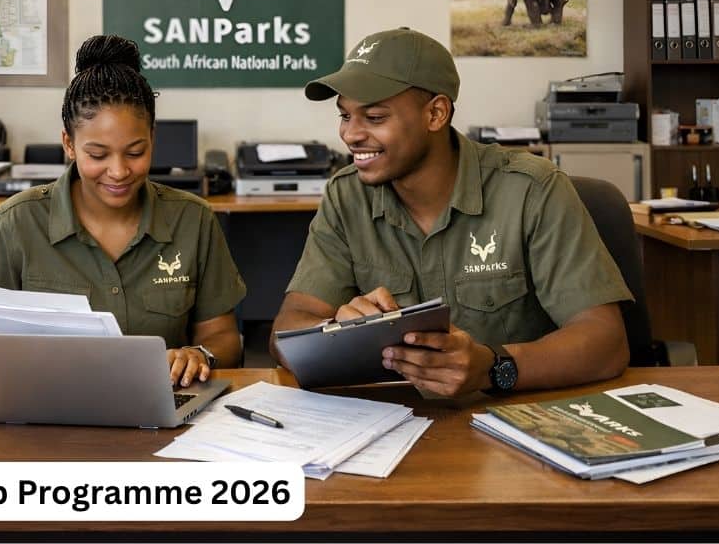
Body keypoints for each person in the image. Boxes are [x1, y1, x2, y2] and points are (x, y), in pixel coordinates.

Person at [270, 27, 632, 397]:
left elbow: (606, 341)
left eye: (375, 118)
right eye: (345, 116)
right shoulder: (346, 196)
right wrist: (334, 328)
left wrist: (492, 367)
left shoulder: (532, 189)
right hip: (393, 425)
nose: (350, 135)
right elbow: (286, 330)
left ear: (436, 114)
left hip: (516, 420)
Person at [0, 34, 245, 386]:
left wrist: (198, 354)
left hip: (166, 410)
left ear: (153, 138)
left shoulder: (194, 219)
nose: (118, 171)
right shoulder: (18, 221)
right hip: (48, 411)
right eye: (98, 155)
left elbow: (225, 338)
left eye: (135, 152)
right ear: (69, 144)